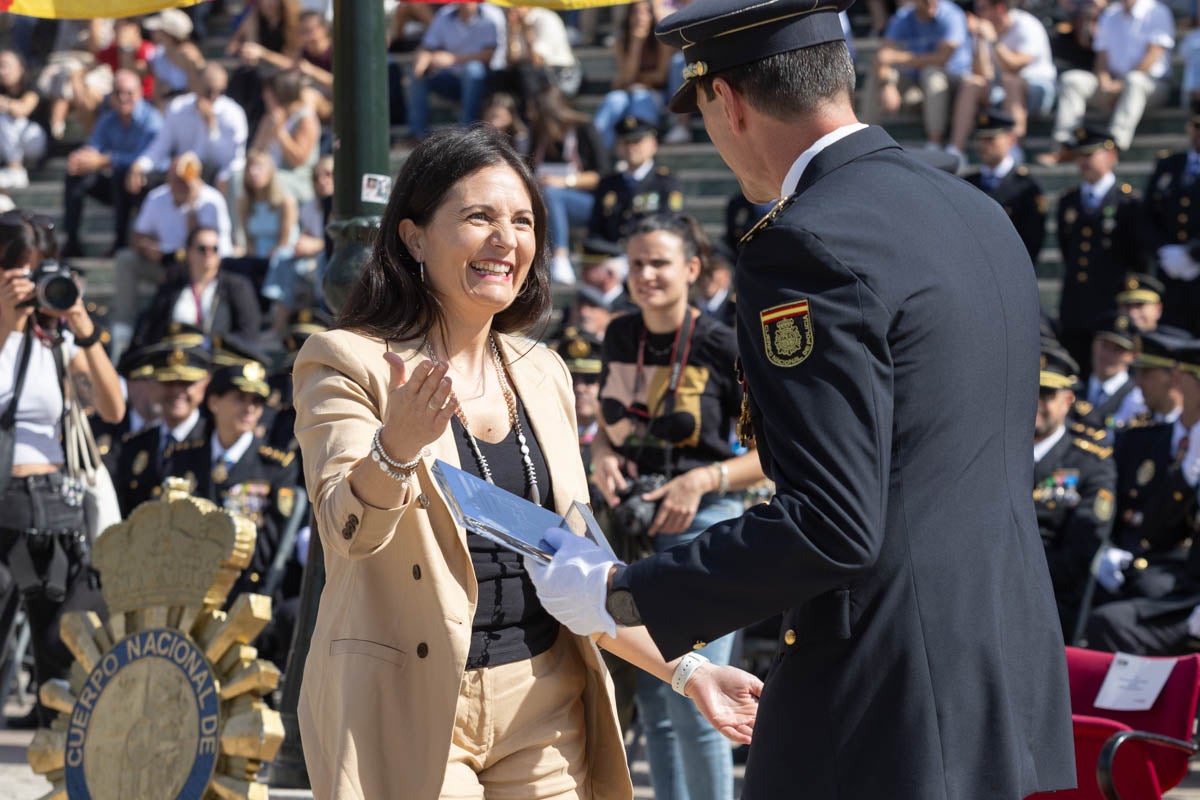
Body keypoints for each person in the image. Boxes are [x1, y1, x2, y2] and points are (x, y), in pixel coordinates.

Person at [527, 1, 1076, 798]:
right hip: (1009, 664)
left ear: (730, 102)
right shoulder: (976, 211)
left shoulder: (805, 242)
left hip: (886, 696)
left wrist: (625, 593)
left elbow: (833, 524)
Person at [290, 125, 761, 799]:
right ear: (414, 237)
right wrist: (395, 448)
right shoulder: (346, 360)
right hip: (410, 707)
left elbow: (575, 566)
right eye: (479, 216)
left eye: (522, 220)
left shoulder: (545, 372)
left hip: (544, 705)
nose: (505, 239)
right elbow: (347, 532)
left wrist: (688, 671)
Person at [588, 212, 765, 800]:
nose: (645, 276)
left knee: (699, 693)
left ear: (692, 269)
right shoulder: (618, 334)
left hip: (706, 524)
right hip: (636, 527)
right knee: (661, 693)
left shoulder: (722, 342)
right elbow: (612, 425)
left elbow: (773, 454)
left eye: (659, 263)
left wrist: (701, 482)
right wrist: (604, 456)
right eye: (636, 264)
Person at [0, 210, 123, 727]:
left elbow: (114, 409)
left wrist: (82, 325)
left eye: (37, 272)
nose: (32, 287)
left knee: (61, 645)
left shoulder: (54, 341)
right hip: (3, 506)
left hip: (55, 508)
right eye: (19, 273)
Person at [162, 360, 301, 667]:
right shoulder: (182, 458)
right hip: (183, 587)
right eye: (240, 398)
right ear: (213, 402)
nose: (250, 409)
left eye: (256, 402)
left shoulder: (275, 467)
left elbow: (268, 548)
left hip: (241, 594)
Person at [1084, 334, 1200, 654]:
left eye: (1147, 374)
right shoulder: (1141, 439)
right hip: (1129, 563)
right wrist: (1105, 547)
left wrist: (1189, 475)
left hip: (1173, 577)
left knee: (1115, 617)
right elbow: (1111, 502)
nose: (1139, 384)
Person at [113, 152, 234, 357]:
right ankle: (122, 329)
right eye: (175, 178)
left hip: (198, 268)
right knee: (126, 259)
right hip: (163, 262)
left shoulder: (211, 200)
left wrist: (192, 209)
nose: (179, 183)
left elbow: (215, 248)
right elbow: (137, 236)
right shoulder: (157, 197)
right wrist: (149, 248)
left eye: (184, 179)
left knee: (201, 259)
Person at [1033, 342, 1116, 640]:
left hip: (1048, 599)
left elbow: (1079, 554)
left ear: (1068, 400)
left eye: (1046, 394)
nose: (1035, 403)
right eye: (1029, 391)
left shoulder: (1090, 463)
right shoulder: (997, 452)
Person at [1054, 126, 1145, 374]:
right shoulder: (1069, 201)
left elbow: (1138, 257)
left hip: (1109, 304)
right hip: (1075, 304)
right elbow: (1067, 248)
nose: (1083, 161)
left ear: (1111, 155)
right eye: (1080, 155)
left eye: (1090, 154)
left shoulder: (1128, 202)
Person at [1042, 0, 1174, 160]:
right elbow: (1101, 57)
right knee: (1072, 80)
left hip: (1152, 85)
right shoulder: (1111, 14)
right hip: (1114, 84)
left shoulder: (1157, 11)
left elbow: (1153, 55)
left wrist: (1121, 84)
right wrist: (1104, 81)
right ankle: (1065, 144)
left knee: (1135, 81)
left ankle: (1113, 145)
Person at [61, 69, 162, 259]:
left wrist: (107, 160)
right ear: (111, 96)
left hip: (145, 186)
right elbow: (94, 147)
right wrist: (81, 158)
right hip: (115, 184)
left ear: (140, 93)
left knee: (121, 173)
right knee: (76, 174)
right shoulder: (108, 120)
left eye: (129, 93)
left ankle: (121, 242)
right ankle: (72, 240)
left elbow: (151, 159)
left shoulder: (152, 120)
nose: (123, 98)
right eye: (118, 93)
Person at [946, 0, 1056, 160]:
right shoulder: (985, 31)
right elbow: (981, 74)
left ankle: (1014, 148)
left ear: (999, 8)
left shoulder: (1027, 25)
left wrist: (993, 40)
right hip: (1002, 91)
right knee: (972, 84)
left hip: (1039, 90)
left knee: (1010, 80)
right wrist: (980, 40)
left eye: (982, 8)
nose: (977, 13)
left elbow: (1014, 66)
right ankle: (956, 151)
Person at [860, 0, 973, 150]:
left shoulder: (952, 14)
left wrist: (900, 57)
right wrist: (887, 85)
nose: (930, 3)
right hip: (916, 83)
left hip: (954, 82)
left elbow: (942, 58)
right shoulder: (904, 16)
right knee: (879, 75)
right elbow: (883, 55)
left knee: (931, 73)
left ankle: (934, 144)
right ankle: (865, 140)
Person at [115, 343, 211, 516]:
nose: (177, 391)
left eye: (186, 383)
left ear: (203, 385)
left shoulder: (212, 441)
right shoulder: (136, 444)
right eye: (168, 382)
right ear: (154, 385)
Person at [125, 63, 249, 197]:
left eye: (219, 91)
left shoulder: (233, 114)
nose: (213, 96)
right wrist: (139, 165)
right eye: (208, 90)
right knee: (140, 178)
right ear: (196, 85)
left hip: (217, 176)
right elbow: (161, 146)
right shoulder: (178, 108)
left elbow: (233, 159)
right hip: (183, 174)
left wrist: (211, 127)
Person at [528, 85, 610, 285]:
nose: (528, 116)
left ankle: (561, 257)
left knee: (554, 194)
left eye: (533, 111)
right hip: (547, 201)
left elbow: (602, 175)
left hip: (589, 204)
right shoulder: (537, 136)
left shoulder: (584, 129)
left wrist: (564, 182)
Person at [132, 226, 261, 349]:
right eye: (202, 249)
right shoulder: (172, 287)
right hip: (176, 359)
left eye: (214, 249)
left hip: (218, 362)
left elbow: (248, 333)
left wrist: (214, 345)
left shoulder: (236, 287)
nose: (209, 254)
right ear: (189, 252)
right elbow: (152, 327)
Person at [1141, 101, 1200, 336]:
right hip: (1170, 275)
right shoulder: (1170, 165)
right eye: (1195, 126)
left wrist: (1193, 253)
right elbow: (1146, 215)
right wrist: (1163, 251)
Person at [405, 3, 504, 142]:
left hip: (480, 82)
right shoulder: (443, 16)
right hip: (449, 79)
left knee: (473, 70)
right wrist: (422, 61)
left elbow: (487, 56)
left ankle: (467, 132)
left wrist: (453, 60)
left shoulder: (489, 19)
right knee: (418, 75)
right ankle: (416, 134)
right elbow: (427, 46)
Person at [962, 109, 1046, 263]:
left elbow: (1033, 239)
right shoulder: (967, 182)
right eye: (981, 139)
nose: (984, 145)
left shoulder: (1026, 185)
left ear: (1011, 140)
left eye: (991, 139)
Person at [588, 116, 684, 246]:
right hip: (612, 257)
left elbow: (672, 223)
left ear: (653, 145)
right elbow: (595, 229)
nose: (631, 147)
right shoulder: (608, 184)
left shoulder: (667, 182)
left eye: (637, 141)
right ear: (617, 146)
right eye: (626, 142)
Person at [592, 1, 673, 151]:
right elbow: (626, 77)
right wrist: (636, 43)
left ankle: (638, 150)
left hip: (656, 94)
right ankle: (599, 151)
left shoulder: (662, 40)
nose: (639, 17)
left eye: (644, 12)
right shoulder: (622, 41)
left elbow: (661, 77)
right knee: (613, 100)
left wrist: (637, 81)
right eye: (635, 12)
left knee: (640, 98)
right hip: (627, 92)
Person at [249, 69, 320, 205]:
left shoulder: (305, 118)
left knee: (266, 180)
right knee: (236, 178)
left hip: (297, 179)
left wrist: (279, 132)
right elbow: (254, 153)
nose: (264, 96)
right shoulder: (269, 118)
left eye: (268, 93)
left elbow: (297, 160)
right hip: (266, 172)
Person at [1072, 312, 1146, 430]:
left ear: (1132, 355)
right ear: (1093, 343)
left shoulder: (1137, 398)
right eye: (1104, 345)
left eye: (1117, 349)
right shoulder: (1072, 389)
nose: (1107, 355)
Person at [0, 50, 47, 190]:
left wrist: (4, 103)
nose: (2, 71)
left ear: (20, 68)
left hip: (35, 141)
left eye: (5, 66)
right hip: (10, 146)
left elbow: (22, 110)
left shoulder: (31, 86)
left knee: (3, 117)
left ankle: (15, 170)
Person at [142, 9, 205, 105]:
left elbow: (197, 91)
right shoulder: (158, 54)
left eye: (157, 30)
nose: (152, 32)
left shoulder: (190, 56)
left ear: (168, 34)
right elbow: (157, 93)